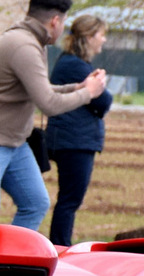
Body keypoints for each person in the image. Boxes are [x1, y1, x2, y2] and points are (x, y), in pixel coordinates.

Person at [0, 0, 108, 231]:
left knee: (35, 204)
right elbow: (49, 105)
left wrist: (80, 86)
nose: (63, 28)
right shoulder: (24, 46)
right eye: (64, 21)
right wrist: (89, 93)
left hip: (11, 141)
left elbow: (43, 90)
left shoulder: (34, 43)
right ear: (55, 20)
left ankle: (7, 266)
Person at [44, 15, 112, 246]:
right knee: (69, 200)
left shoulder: (72, 62)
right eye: (101, 34)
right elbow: (103, 102)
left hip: (72, 138)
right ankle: (61, 247)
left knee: (68, 200)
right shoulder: (75, 65)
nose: (104, 39)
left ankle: (60, 245)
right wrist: (101, 85)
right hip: (74, 141)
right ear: (89, 37)